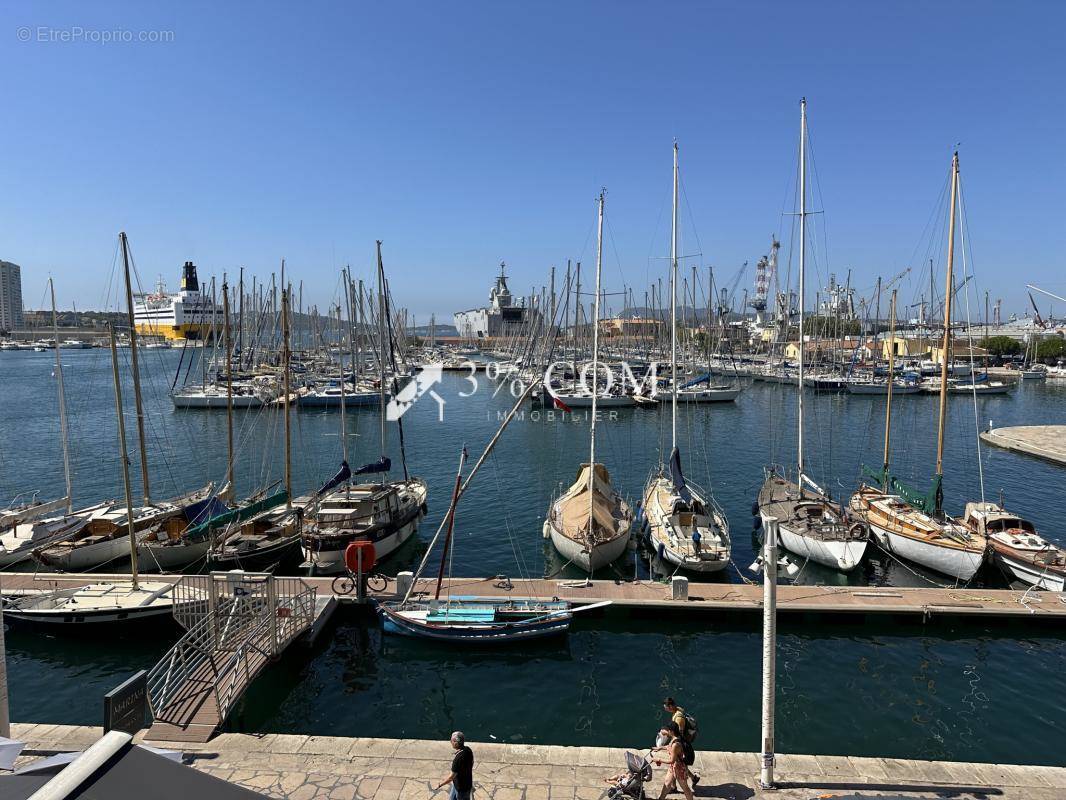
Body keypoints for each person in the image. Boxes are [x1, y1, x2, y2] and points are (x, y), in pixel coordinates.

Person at [662, 698, 699, 786]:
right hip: (679, 741)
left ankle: (674, 786)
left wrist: (666, 733)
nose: (664, 709)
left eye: (665, 707)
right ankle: (693, 778)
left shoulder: (678, 717)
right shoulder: (677, 710)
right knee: (679, 763)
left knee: (675, 763)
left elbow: (679, 733)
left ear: (670, 706)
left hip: (680, 743)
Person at [652, 723, 693, 800]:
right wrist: (660, 748)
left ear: (672, 731)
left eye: (668, 730)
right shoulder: (675, 738)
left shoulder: (676, 744)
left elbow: (671, 760)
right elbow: (669, 746)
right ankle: (661, 798)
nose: (667, 732)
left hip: (680, 768)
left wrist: (658, 760)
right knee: (667, 783)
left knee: (685, 788)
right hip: (673, 767)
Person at [436, 731, 474, 800]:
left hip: (462, 789)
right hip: (458, 783)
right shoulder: (468, 750)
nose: (450, 742)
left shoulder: (458, 759)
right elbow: (472, 762)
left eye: (452, 741)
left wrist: (440, 784)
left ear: (456, 743)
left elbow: (451, 777)